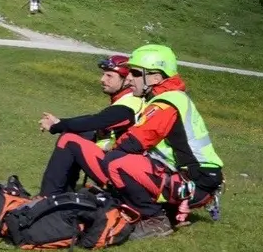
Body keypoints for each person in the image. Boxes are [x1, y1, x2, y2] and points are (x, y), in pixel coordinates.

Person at [103, 45, 225, 240]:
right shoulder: (166, 98)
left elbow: (133, 142)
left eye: (135, 73)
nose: (128, 78)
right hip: (196, 177)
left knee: (116, 162)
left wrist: (106, 152)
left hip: (197, 181)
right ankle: (144, 209)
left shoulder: (167, 103)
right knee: (119, 160)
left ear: (156, 78)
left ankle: (155, 219)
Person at [36, 55, 143, 196]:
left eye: (109, 76)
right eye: (103, 75)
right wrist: (59, 122)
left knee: (69, 139)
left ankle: (47, 197)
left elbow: (95, 121)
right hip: (120, 163)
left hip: (120, 171)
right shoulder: (127, 100)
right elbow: (92, 120)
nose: (102, 79)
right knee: (78, 134)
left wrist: (56, 126)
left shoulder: (129, 105)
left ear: (126, 80)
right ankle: (63, 195)